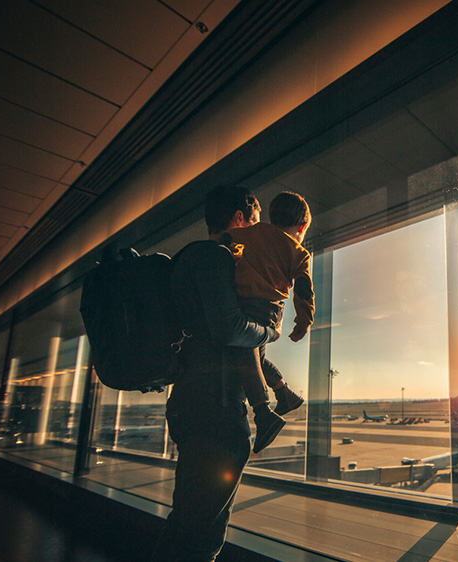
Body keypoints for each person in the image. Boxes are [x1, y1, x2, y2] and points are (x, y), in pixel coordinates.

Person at [151, 185, 284, 562]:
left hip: (193, 402)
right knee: (202, 534)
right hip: (215, 408)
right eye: (255, 223)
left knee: (188, 521)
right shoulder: (215, 258)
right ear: (240, 219)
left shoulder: (189, 260)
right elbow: (230, 330)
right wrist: (269, 331)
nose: (257, 232)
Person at [226, 191, 312, 444]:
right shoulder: (298, 251)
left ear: (272, 217)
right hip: (272, 310)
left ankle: (265, 413)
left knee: (246, 353)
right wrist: (303, 322)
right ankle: (284, 395)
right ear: (303, 226)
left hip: (250, 305)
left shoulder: (253, 233)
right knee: (255, 357)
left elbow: (224, 239)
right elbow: (304, 289)